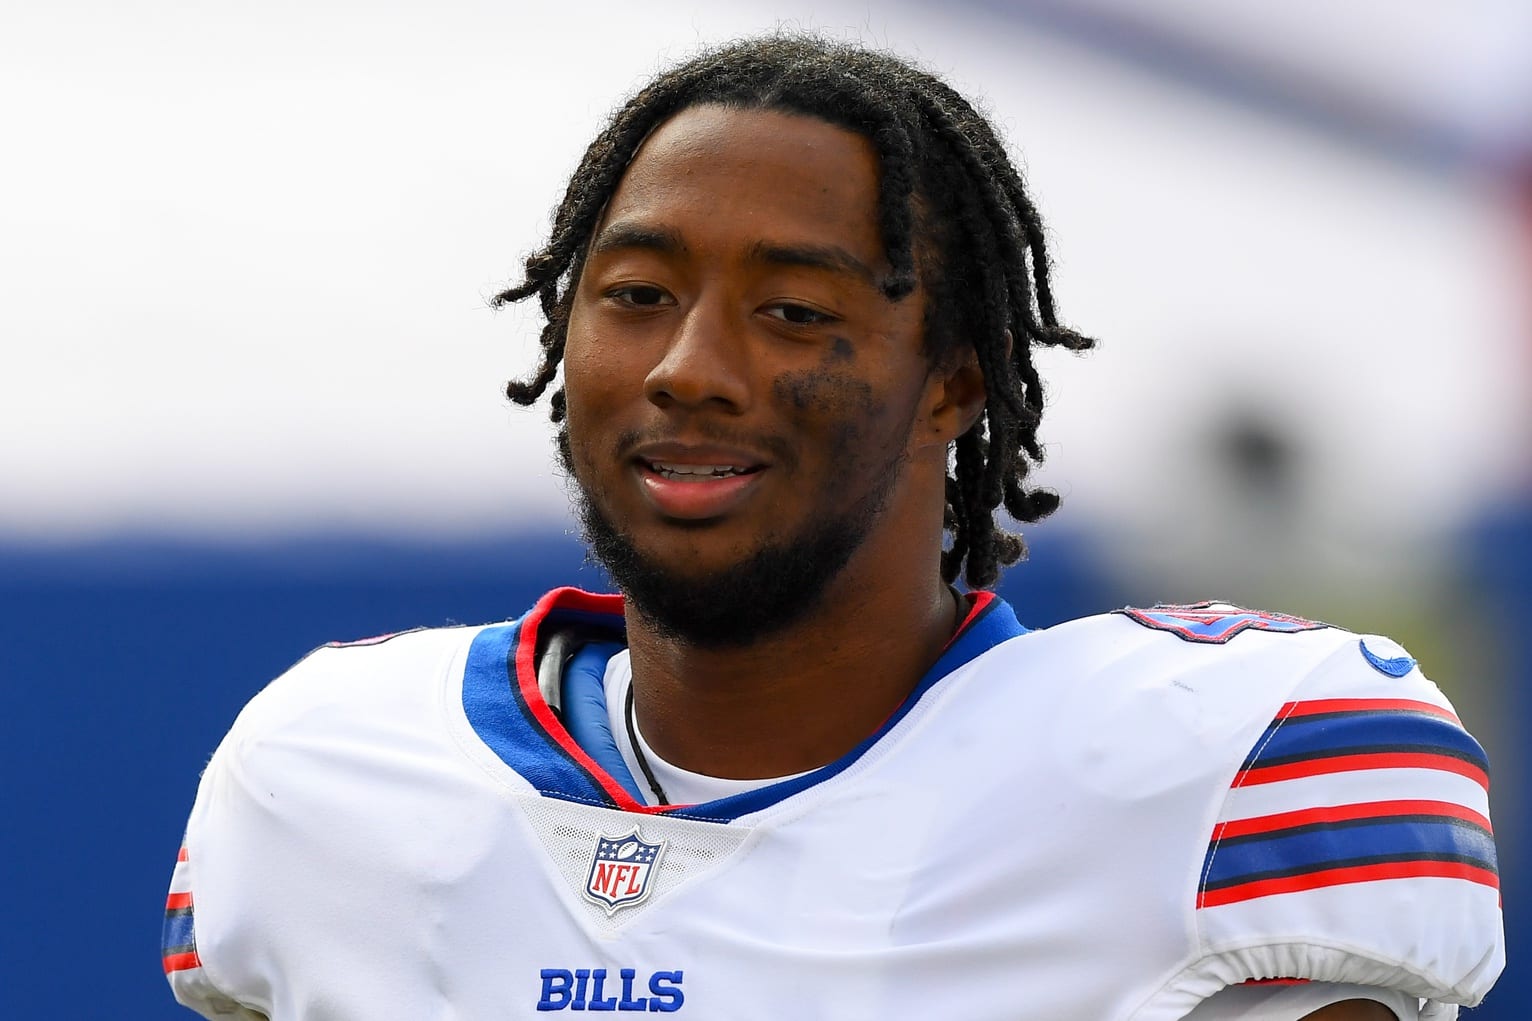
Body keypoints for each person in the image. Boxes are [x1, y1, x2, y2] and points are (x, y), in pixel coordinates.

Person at [161, 36, 1503, 1021]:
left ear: (954, 385)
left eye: (794, 312)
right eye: (635, 294)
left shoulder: (1216, 772)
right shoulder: (332, 775)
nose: (690, 367)